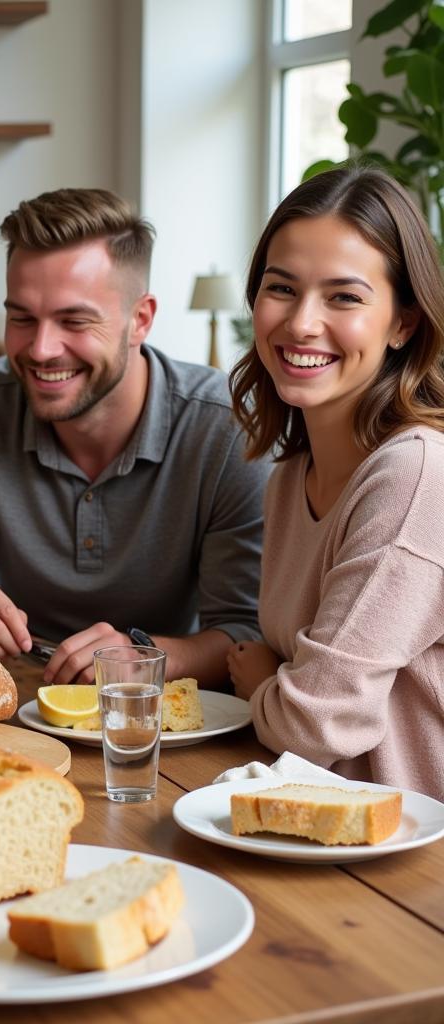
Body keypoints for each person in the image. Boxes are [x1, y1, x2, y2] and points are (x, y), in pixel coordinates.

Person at [0, 187, 270, 686]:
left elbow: (244, 634)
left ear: (140, 319)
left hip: (161, 701)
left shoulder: (225, 428)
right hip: (16, 689)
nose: (41, 349)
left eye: (74, 320)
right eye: (21, 319)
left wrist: (141, 656)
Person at [227, 165, 444, 799]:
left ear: (403, 323)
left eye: (343, 297)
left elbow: (317, 722)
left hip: (415, 856)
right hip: (317, 822)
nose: (300, 324)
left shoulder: (415, 475)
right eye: (282, 288)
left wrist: (266, 683)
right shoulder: (291, 475)